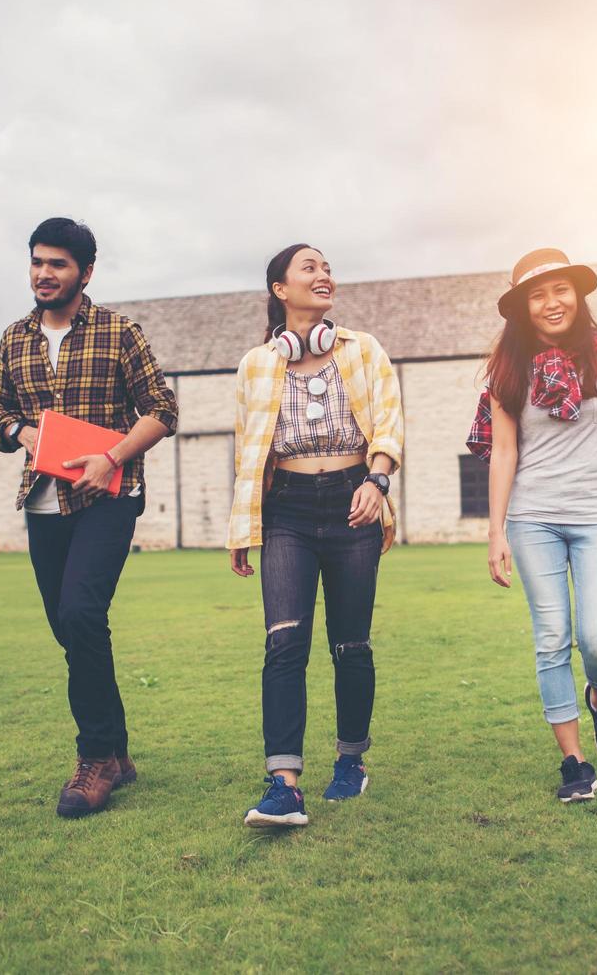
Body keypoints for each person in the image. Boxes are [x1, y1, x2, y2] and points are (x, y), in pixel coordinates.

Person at [0, 217, 179, 819]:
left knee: (81, 613)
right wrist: (22, 429)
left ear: (85, 273)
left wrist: (111, 455)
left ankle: (94, 761)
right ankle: (116, 749)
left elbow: (162, 410)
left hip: (108, 500)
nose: (44, 273)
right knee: (74, 632)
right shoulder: (14, 340)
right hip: (43, 503)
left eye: (58, 264)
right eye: (38, 261)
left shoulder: (120, 333)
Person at [480, 248, 597, 803]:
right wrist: (496, 533)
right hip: (533, 517)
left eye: (560, 289)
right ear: (523, 307)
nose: (551, 302)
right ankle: (574, 763)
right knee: (553, 638)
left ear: (578, 294)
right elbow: (504, 452)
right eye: (537, 294)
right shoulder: (506, 369)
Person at [228, 243, 403, 827]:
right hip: (287, 512)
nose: (324, 274)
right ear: (280, 288)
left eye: (328, 267)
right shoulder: (255, 365)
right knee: (284, 642)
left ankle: (350, 761)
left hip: (356, 499)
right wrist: (242, 526)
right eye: (310, 267)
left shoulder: (364, 349)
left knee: (350, 643)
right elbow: (246, 451)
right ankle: (283, 784)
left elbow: (388, 422)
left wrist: (377, 482)